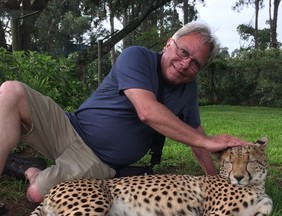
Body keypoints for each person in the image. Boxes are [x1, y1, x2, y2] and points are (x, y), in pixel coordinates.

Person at [0, 21, 245, 203]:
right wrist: (207, 140)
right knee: (11, 91)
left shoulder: (188, 90)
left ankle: (31, 170)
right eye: (183, 52)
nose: (185, 64)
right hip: (68, 126)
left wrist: (216, 182)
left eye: (195, 64)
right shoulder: (136, 56)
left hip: (96, 159)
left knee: (36, 195)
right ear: (169, 43)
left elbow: (195, 135)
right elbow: (147, 110)